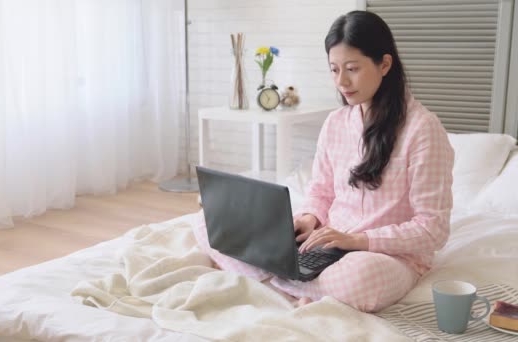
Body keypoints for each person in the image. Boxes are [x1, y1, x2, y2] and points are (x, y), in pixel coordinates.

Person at [193, 10, 454, 312]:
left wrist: (357, 240)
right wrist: (309, 218)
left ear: (384, 64)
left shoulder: (423, 130)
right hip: (326, 242)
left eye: (352, 69)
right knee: (206, 224)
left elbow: (433, 229)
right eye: (334, 69)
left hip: (384, 256)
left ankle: (269, 279)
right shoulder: (336, 122)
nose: (341, 81)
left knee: (358, 279)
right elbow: (321, 190)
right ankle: (294, 279)